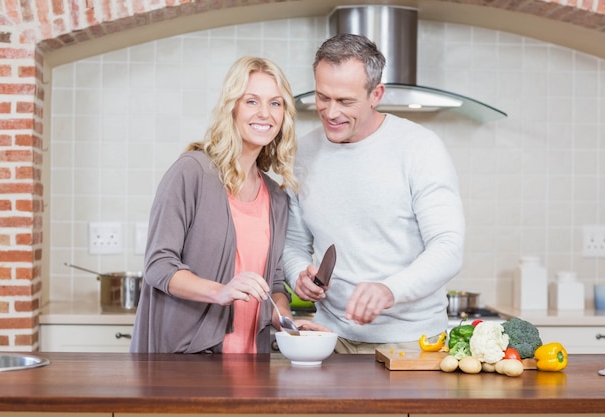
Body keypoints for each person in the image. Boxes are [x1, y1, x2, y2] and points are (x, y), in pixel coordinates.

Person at [282, 34, 466, 354]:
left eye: (345, 101)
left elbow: (449, 248)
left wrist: (389, 290)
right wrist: (299, 274)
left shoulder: (419, 148)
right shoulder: (304, 152)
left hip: (412, 340)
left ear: (375, 94)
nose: (330, 112)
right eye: (322, 97)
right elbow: (294, 243)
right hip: (330, 335)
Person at [130, 56, 323, 354]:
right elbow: (159, 265)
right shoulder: (191, 172)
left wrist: (287, 322)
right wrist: (221, 291)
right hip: (185, 357)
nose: (265, 113)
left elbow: (273, 282)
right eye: (251, 101)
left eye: (275, 103)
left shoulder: (276, 197)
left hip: (248, 360)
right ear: (231, 107)